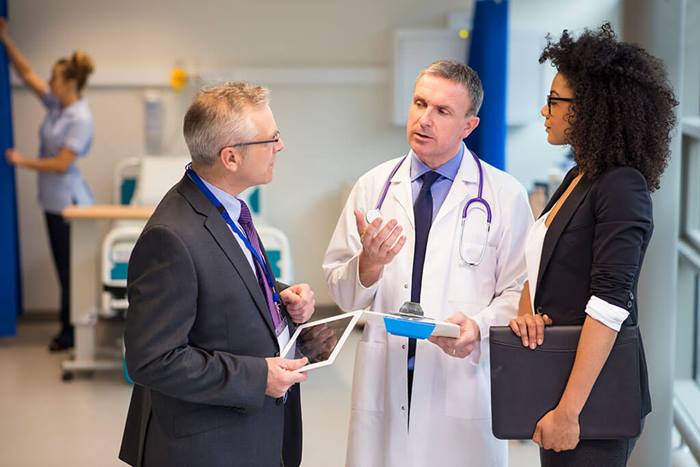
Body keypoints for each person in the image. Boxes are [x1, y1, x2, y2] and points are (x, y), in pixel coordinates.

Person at [323, 60, 533, 466]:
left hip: (460, 375)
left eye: (442, 111)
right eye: (420, 104)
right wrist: (368, 264)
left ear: (468, 126)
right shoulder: (373, 187)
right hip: (387, 370)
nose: (425, 119)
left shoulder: (504, 196)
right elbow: (341, 290)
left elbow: (520, 291)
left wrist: (479, 326)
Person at [118, 82, 316, 467]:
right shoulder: (170, 236)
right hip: (204, 447)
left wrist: (280, 296)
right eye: (271, 139)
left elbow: (221, 276)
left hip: (247, 433)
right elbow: (153, 359)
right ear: (231, 158)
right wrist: (256, 376)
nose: (280, 147)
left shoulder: (225, 206)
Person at [508, 23, 678, 466]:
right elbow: (543, 265)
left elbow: (609, 304)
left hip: (590, 401)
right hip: (560, 382)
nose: (545, 112)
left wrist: (569, 411)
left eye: (554, 101)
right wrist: (528, 313)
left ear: (588, 109)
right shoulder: (579, 177)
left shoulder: (622, 186)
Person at [0, 18, 95, 351]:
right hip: (53, 201)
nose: (48, 82)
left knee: (70, 272)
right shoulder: (59, 105)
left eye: (54, 78)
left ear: (68, 82)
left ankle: (71, 334)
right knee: (63, 269)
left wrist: (20, 160)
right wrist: (6, 41)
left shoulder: (80, 118)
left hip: (70, 203)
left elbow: (61, 163)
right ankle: (68, 331)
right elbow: (27, 76)